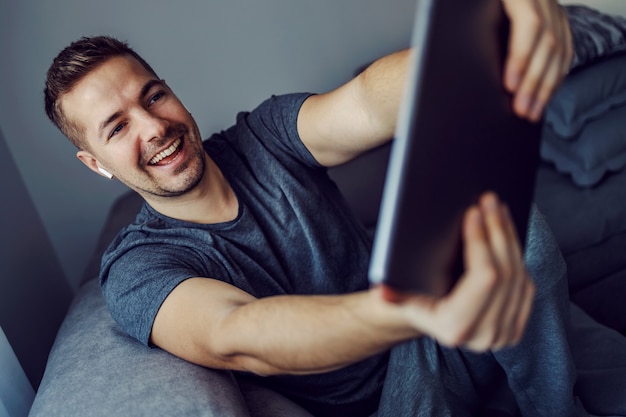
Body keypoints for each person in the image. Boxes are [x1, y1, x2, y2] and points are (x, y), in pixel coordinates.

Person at [43, 1, 626, 416]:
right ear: (93, 162)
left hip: (444, 344)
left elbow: (369, 102)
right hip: (390, 401)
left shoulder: (262, 136)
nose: (154, 126)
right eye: (117, 127)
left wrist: (484, 47)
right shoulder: (138, 268)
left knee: (507, 220)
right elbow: (235, 334)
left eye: (154, 95)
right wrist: (408, 313)